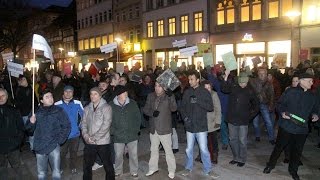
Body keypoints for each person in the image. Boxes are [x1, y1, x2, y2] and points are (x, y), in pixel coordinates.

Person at [263, 73, 319, 180]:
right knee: (279, 147)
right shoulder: (290, 92)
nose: (312, 83)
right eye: (309, 81)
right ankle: (270, 165)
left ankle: (293, 170)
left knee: (297, 151)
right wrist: (282, 112)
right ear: (301, 81)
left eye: (312, 81)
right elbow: (279, 104)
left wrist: (316, 115)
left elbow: (316, 109)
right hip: (287, 126)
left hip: (302, 129)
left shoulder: (312, 96)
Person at [179, 70, 219, 179]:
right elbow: (182, 107)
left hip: (201, 125)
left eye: (192, 79)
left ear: (197, 80)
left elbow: (210, 107)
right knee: (188, 149)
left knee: (204, 149)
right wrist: (185, 119)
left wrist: (198, 101)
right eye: (189, 79)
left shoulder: (204, 92)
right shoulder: (187, 92)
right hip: (190, 125)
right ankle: (188, 167)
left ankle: (208, 169)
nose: (190, 81)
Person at [25, 89, 71, 180]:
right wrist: (31, 123)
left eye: (51, 96)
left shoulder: (59, 110)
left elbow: (66, 126)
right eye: (47, 97)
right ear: (41, 100)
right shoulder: (36, 111)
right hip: (40, 145)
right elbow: (29, 131)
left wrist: (60, 140)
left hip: (54, 145)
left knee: (56, 171)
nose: (50, 99)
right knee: (41, 173)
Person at [221, 72, 259, 167]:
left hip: (243, 120)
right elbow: (224, 89)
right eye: (241, 83)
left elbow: (257, 105)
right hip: (232, 118)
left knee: (242, 140)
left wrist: (250, 116)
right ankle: (236, 157)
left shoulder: (250, 90)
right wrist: (226, 76)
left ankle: (242, 159)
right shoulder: (234, 87)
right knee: (232, 139)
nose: (243, 85)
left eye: (244, 83)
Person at [143, 82, 177, 179]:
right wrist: (152, 113)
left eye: (159, 86)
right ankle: (153, 168)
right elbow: (145, 109)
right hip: (153, 129)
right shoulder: (150, 96)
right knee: (153, 150)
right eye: (155, 86)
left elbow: (174, 108)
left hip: (165, 128)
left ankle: (171, 170)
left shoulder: (168, 96)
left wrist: (171, 96)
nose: (157, 88)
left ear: (164, 87)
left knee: (168, 151)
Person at [81, 87, 115, 180]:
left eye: (95, 94)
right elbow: (83, 124)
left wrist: (95, 138)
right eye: (91, 94)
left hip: (103, 142)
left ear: (100, 95)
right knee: (87, 165)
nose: (93, 96)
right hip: (89, 142)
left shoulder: (106, 107)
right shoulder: (87, 108)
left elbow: (106, 125)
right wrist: (86, 136)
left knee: (108, 164)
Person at [110, 85, 141, 178]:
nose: (126, 94)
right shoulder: (111, 105)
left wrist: (136, 130)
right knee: (118, 155)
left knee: (133, 155)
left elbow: (138, 118)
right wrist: (113, 132)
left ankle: (134, 170)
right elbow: (108, 121)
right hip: (118, 135)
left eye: (126, 92)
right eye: (124, 92)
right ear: (118, 94)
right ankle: (118, 171)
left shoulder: (132, 103)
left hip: (132, 134)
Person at [55, 85, 84, 174]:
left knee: (73, 152)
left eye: (70, 91)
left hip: (75, 134)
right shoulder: (57, 104)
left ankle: (73, 166)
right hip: (63, 135)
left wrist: (79, 127)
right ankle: (61, 167)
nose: (68, 93)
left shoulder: (77, 103)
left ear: (73, 93)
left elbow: (84, 116)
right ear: (63, 92)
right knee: (62, 153)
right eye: (66, 91)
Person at [0, 88, 25, 179]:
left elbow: (21, 128)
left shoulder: (14, 111)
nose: (1, 98)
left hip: (13, 147)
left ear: (7, 97)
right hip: (0, 148)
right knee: (2, 169)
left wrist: (17, 142)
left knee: (17, 168)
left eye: (3, 95)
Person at [195, 80, 222, 164]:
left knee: (213, 140)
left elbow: (218, 108)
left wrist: (218, 121)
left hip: (212, 121)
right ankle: (201, 154)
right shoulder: (199, 95)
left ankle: (214, 155)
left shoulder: (214, 95)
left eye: (209, 87)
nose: (207, 89)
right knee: (202, 140)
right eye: (205, 88)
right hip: (202, 121)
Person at [249, 67, 275, 144]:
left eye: (263, 74)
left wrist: (271, 105)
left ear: (266, 74)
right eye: (260, 73)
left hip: (264, 104)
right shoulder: (253, 81)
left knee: (268, 122)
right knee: (255, 122)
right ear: (258, 74)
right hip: (255, 104)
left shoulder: (269, 83)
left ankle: (271, 138)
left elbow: (272, 95)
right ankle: (257, 136)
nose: (261, 75)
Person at [15, 75, 38, 150]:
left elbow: (34, 100)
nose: (23, 81)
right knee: (27, 130)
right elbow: (19, 102)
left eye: (24, 79)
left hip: (32, 112)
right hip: (24, 113)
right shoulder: (19, 89)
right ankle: (23, 145)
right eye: (21, 80)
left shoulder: (30, 88)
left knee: (33, 130)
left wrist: (35, 109)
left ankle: (33, 147)